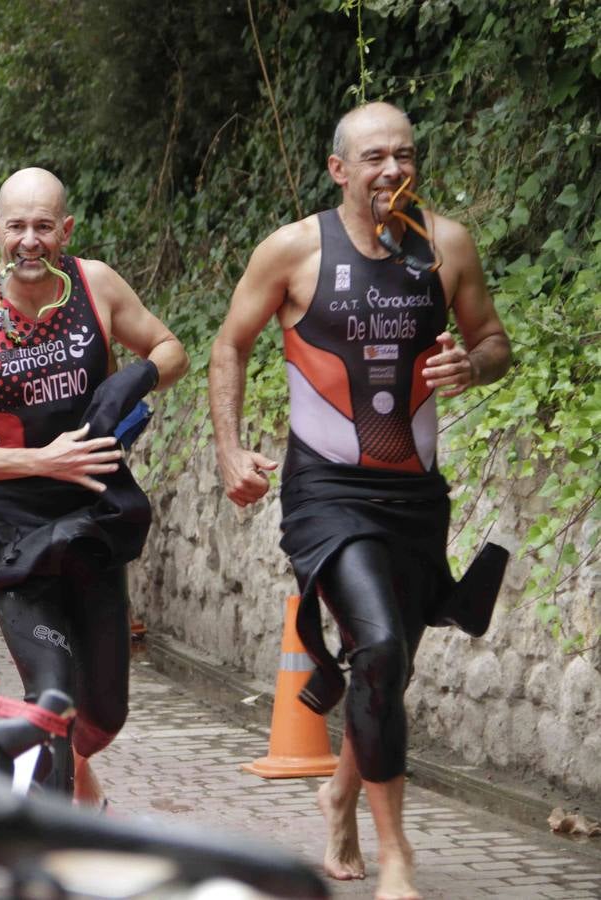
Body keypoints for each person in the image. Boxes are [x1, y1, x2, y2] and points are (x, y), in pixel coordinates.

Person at [208, 102, 511, 900]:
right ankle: (397, 858)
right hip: (328, 492)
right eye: (374, 157)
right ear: (340, 169)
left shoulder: (445, 245)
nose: (392, 171)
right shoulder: (294, 250)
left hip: (414, 496)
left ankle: (341, 793)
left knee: (389, 664)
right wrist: (230, 448)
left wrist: (472, 368)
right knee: (376, 647)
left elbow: (493, 341)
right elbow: (229, 344)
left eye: (404, 155)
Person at [0, 167, 188, 801]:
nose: (30, 241)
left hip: (95, 519)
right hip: (16, 533)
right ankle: (53, 835)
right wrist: (45, 461)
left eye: (44, 226)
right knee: (53, 699)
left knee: (106, 713)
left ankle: (65, 768)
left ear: (66, 230)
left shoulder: (97, 287)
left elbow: (173, 348)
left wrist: (138, 377)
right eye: (17, 227)